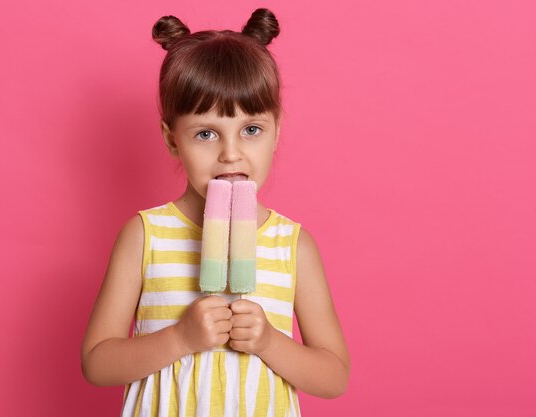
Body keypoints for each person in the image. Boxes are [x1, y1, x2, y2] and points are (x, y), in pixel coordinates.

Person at [81, 8, 350, 416]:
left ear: (276, 131)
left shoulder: (292, 246)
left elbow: (334, 376)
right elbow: (97, 363)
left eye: (251, 130)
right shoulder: (144, 235)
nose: (230, 152)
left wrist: (268, 342)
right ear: (173, 140)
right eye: (205, 133)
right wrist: (179, 338)